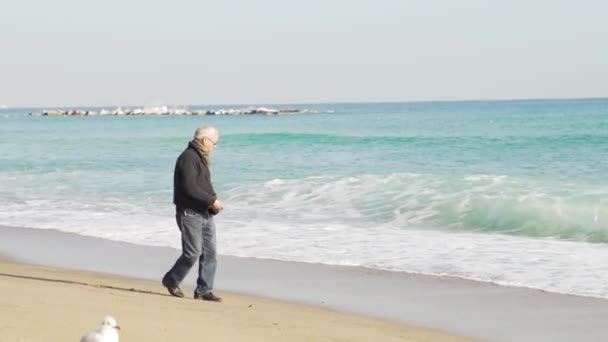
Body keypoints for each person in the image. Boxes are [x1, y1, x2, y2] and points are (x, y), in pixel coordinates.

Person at [162, 125, 224, 302]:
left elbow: (204, 186)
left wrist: (213, 202)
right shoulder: (188, 157)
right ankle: (171, 279)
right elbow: (190, 189)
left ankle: (204, 290)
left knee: (210, 253)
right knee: (193, 252)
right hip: (189, 213)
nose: (215, 147)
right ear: (205, 141)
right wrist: (212, 201)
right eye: (214, 143)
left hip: (204, 213)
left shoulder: (201, 158)